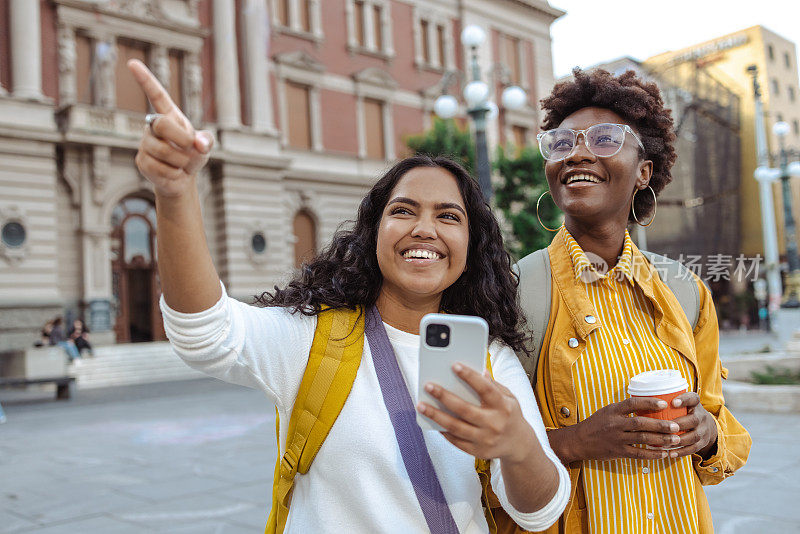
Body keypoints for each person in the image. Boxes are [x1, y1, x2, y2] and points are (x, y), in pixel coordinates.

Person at [127, 58, 570, 533]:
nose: (424, 229)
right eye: (403, 211)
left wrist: (519, 445)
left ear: (471, 246)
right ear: (374, 233)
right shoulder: (312, 337)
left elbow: (538, 512)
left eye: (448, 216)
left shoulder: (490, 361)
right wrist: (174, 193)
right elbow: (205, 334)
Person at [517, 68, 751, 534]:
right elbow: (475, 451)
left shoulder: (686, 291)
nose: (578, 152)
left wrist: (707, 435)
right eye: (562, 143)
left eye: (605, 139)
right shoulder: (514, 289)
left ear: (644, 170)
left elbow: (720, 423)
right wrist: (576, 441)